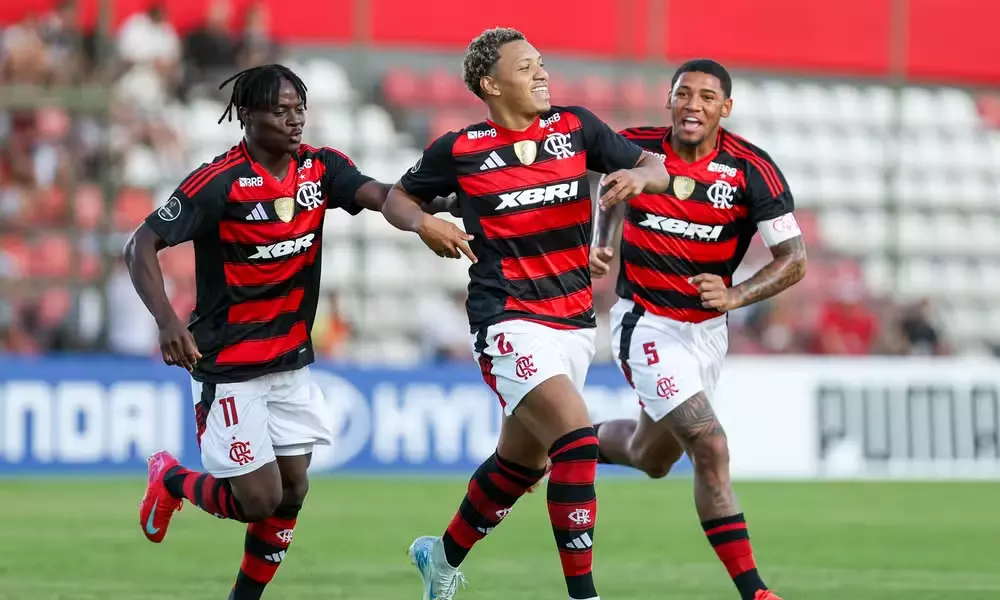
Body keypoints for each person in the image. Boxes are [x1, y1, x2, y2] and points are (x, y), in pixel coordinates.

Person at [124, 64, 452, 600]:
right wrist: (166, 320)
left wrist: (428, 211)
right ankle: (170, 479)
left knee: (292, 490)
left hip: (291, 362)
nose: (295, 119)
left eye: (300, 108)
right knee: (257, 499)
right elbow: (139, 244)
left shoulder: (320, 169)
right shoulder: (219, 182)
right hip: (229, 365)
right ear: (248, 115)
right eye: (281, 110)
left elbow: (379, 193)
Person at [380, 27, 670, 600]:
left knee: (519, 467)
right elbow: (397, 197)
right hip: (507, 318)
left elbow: (656, 165)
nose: (542, 74)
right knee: (577, 440)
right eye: (526, 67)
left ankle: (439, 559)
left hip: (573, 322)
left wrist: (639, 175)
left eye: (541, 64)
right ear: (490, 85)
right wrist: (425, 224)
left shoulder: (577, 127)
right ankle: (583, 594)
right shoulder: (460, 149)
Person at [588, 59, 806, 600]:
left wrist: (735, 294)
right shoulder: (633, 146)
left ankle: (567, 441)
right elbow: (606, 187)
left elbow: (794, 259)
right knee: (710, 446)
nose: (693, 105)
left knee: (651, 457)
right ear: (669, 100)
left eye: (708, 97)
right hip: (646, 324)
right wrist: (604, 238)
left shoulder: (752, 169)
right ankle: (755, 591)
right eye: (684, 94)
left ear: (724, 109)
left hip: (708, 331)